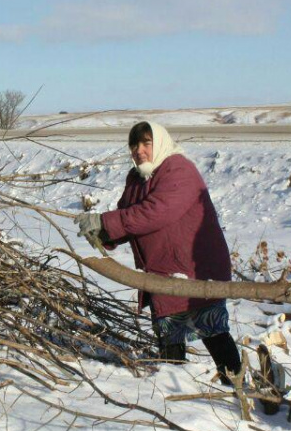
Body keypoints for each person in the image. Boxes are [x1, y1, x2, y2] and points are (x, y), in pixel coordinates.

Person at [76, 122, 243, 384]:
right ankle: (175, 394)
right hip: (162, 272)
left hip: (197, 270)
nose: (139, 150)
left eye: (146, 143)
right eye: (134, 145)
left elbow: (155, 212)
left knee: (213, 332)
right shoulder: (136, 178)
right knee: (169, 337)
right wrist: (103, 234)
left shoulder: (179, 169)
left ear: (160, 143)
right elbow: (127, 217)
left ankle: (237, 388)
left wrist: (105, 222)